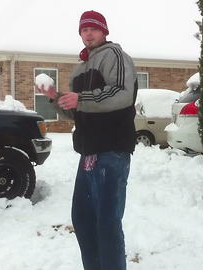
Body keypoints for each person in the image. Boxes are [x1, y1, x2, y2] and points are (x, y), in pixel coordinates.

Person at [36, 10, 137, 270]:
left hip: (112, 149)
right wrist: (55, 96)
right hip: (89, 152)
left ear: (104, 31)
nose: (88, 33)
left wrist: (81, 98)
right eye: (83, 30)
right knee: (82, 219)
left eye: (93, 28)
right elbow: (76, 110)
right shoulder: (80, 67)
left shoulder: (115, 55)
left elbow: (122, 94)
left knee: (107, 222)